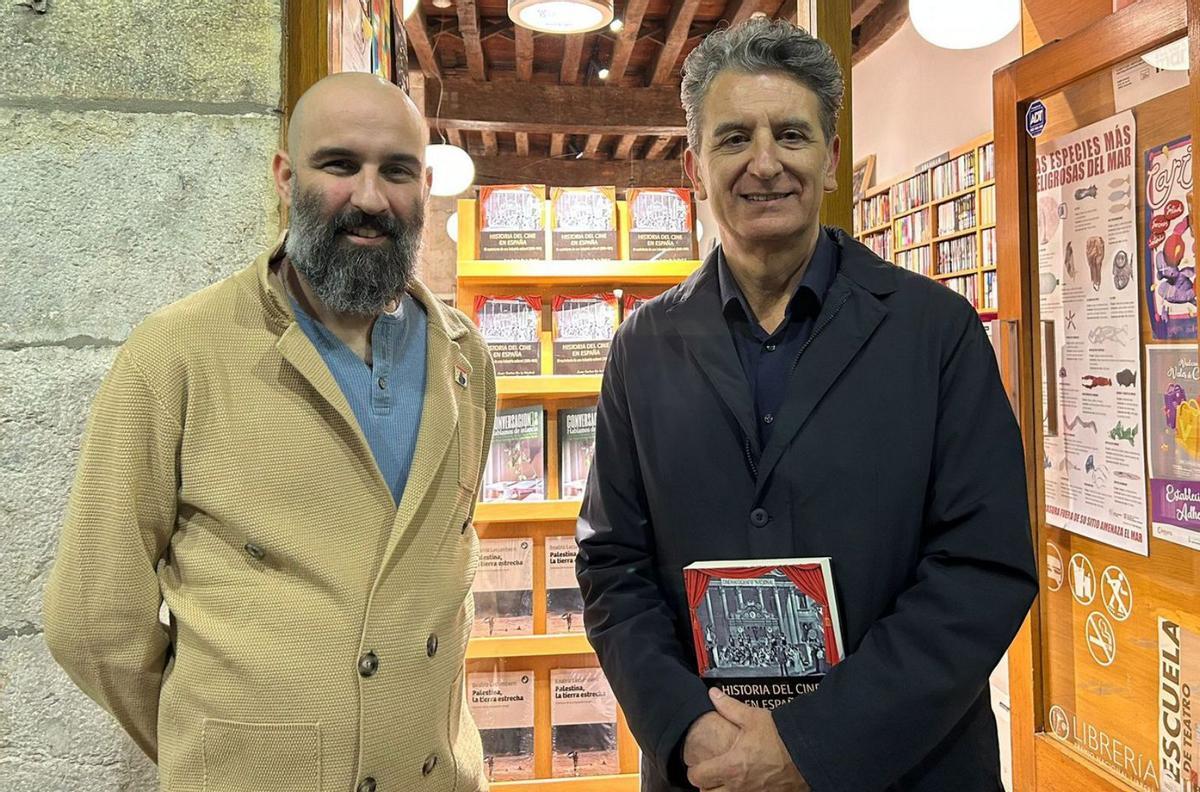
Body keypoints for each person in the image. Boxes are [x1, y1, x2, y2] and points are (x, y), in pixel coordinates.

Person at [575, 18, 1036, 792]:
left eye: (791, 134)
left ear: (830, 158)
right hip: (708, 769)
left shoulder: (935, 333)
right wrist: (687, 728)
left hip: (907, 768)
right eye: (733, 139)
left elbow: (982, 566)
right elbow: (612, 564)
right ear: (694, 168)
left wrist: (813, 743)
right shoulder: (642, 348)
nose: (765, 163)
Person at [44, 72, 496, 792]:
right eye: (340, 164)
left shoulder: (465, 357)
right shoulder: (176, 353)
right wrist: (220, 748)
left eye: (397, 170)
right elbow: (93, 621)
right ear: (286, 177)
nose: (370, 197)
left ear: (426, 186)